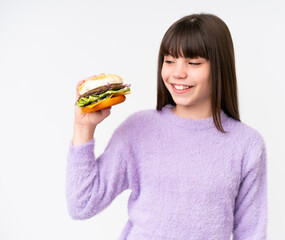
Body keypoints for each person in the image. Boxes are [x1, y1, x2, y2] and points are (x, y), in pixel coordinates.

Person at [66, 13, 267, 240]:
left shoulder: (247, 144)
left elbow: (251, 232)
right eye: (169, 60)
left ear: (219, 67)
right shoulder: (138, 129)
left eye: (193, 63)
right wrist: (83, 127)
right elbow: (82, 204)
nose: (177, 73)